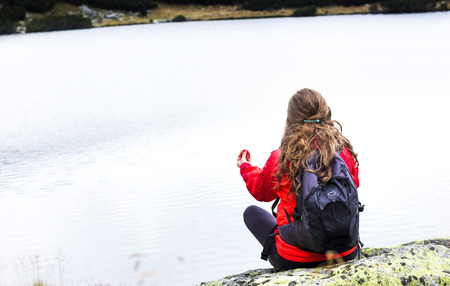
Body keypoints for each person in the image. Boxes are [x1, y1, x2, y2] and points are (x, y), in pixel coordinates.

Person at [237, 88, 360, 270]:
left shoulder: (282, 156)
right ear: (326, 113)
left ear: (291, 119)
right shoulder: (344, 151)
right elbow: (354, 186)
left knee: (252, 213)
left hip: (295, 258)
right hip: (347, 252)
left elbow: (261, 192)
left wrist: (246, 167)